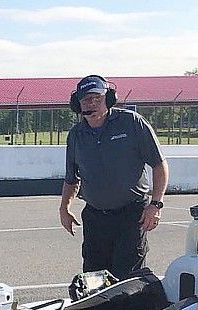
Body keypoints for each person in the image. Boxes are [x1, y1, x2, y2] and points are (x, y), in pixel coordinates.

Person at [60, 74, 169, 279]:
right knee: (94, 279)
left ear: (108, 99)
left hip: (131, 216)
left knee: (127, 280)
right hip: (95, 218)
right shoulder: (76, 135)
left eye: (97, 98)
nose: (91, 103)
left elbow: (159, 164)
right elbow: (71, 178)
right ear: (78, 104)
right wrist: (64, 207)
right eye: (86, 99)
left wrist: (156, 204)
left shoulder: (132, 123)